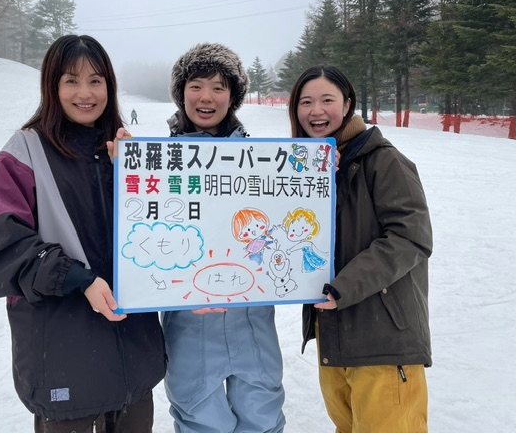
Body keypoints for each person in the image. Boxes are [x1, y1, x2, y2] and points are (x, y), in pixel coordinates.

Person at [0, 35, 166, 433]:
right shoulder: (23, 154)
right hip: (64, 359)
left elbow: (165, 236)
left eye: (96, 81)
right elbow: (0, 254)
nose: (85, 93)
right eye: (71, 81)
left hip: (134, 360)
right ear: (52, 86)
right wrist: (79, 280)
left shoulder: (127, 153)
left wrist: (129, 174)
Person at [288, 65, 433, 433]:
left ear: (348, 104)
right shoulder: (307, 168)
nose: (315, 111)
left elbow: (411, 236)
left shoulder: (384, 160)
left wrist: (344, 286)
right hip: (333, 336)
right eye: (306, 102)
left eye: (327, 100)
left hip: (383, 338)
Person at [162, 42, 286, 433]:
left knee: (262, 412)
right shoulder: (158, 162)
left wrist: (318, 176)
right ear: (181, 92)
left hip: (252, 318)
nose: (207, 97)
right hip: (190, 319)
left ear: (233, 97)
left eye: (219, 87)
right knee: (198, 412)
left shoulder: (264, 161)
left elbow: (293, 222)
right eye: (196, 85)